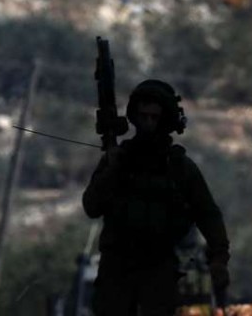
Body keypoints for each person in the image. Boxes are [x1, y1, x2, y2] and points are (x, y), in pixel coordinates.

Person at [83, 79, 230, 316]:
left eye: (155, 117)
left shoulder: (179, 167)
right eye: (143, 117)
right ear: (134, 117)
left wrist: (219, 258)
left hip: (159, 267)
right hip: (117, 267)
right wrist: (111, 170)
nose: (149, 124)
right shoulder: (118, 161)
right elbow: (91, 206)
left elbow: (207, 213)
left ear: (167, 120)